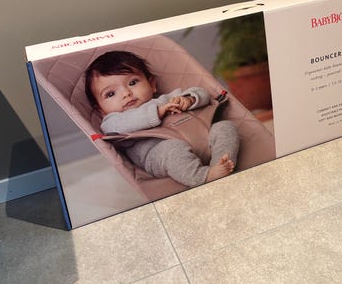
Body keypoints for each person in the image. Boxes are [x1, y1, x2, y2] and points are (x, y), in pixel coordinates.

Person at [84, 50, 239, 187]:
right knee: (172, 150)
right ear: (100, 110)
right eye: (111, 94)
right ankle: (204, 177)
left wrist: (189, 99)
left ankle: (221, 164)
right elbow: (117, 127)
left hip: (202, 138)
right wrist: (156, 113)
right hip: (158, 154)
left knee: (225, 127)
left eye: (133, 82)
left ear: (152, 84)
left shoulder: (166, 99)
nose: (126, 93)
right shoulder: (113, 121)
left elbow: (203, 93)